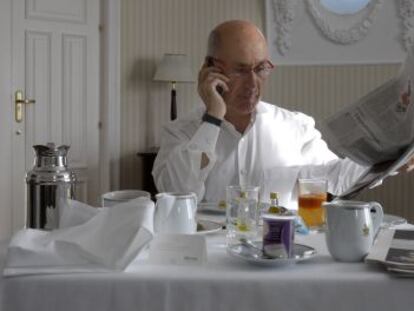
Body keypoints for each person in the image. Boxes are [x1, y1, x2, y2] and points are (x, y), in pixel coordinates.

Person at [152, 20, 414, 209]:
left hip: (280, 258)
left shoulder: (296, 127)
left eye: (261, 68)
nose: (253, 83)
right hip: (207, 264)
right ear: (211, 70)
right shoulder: (181, 133)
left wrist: (389, 161)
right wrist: (213, 117)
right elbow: (177, 194)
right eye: (241, 70)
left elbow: (336, 178)